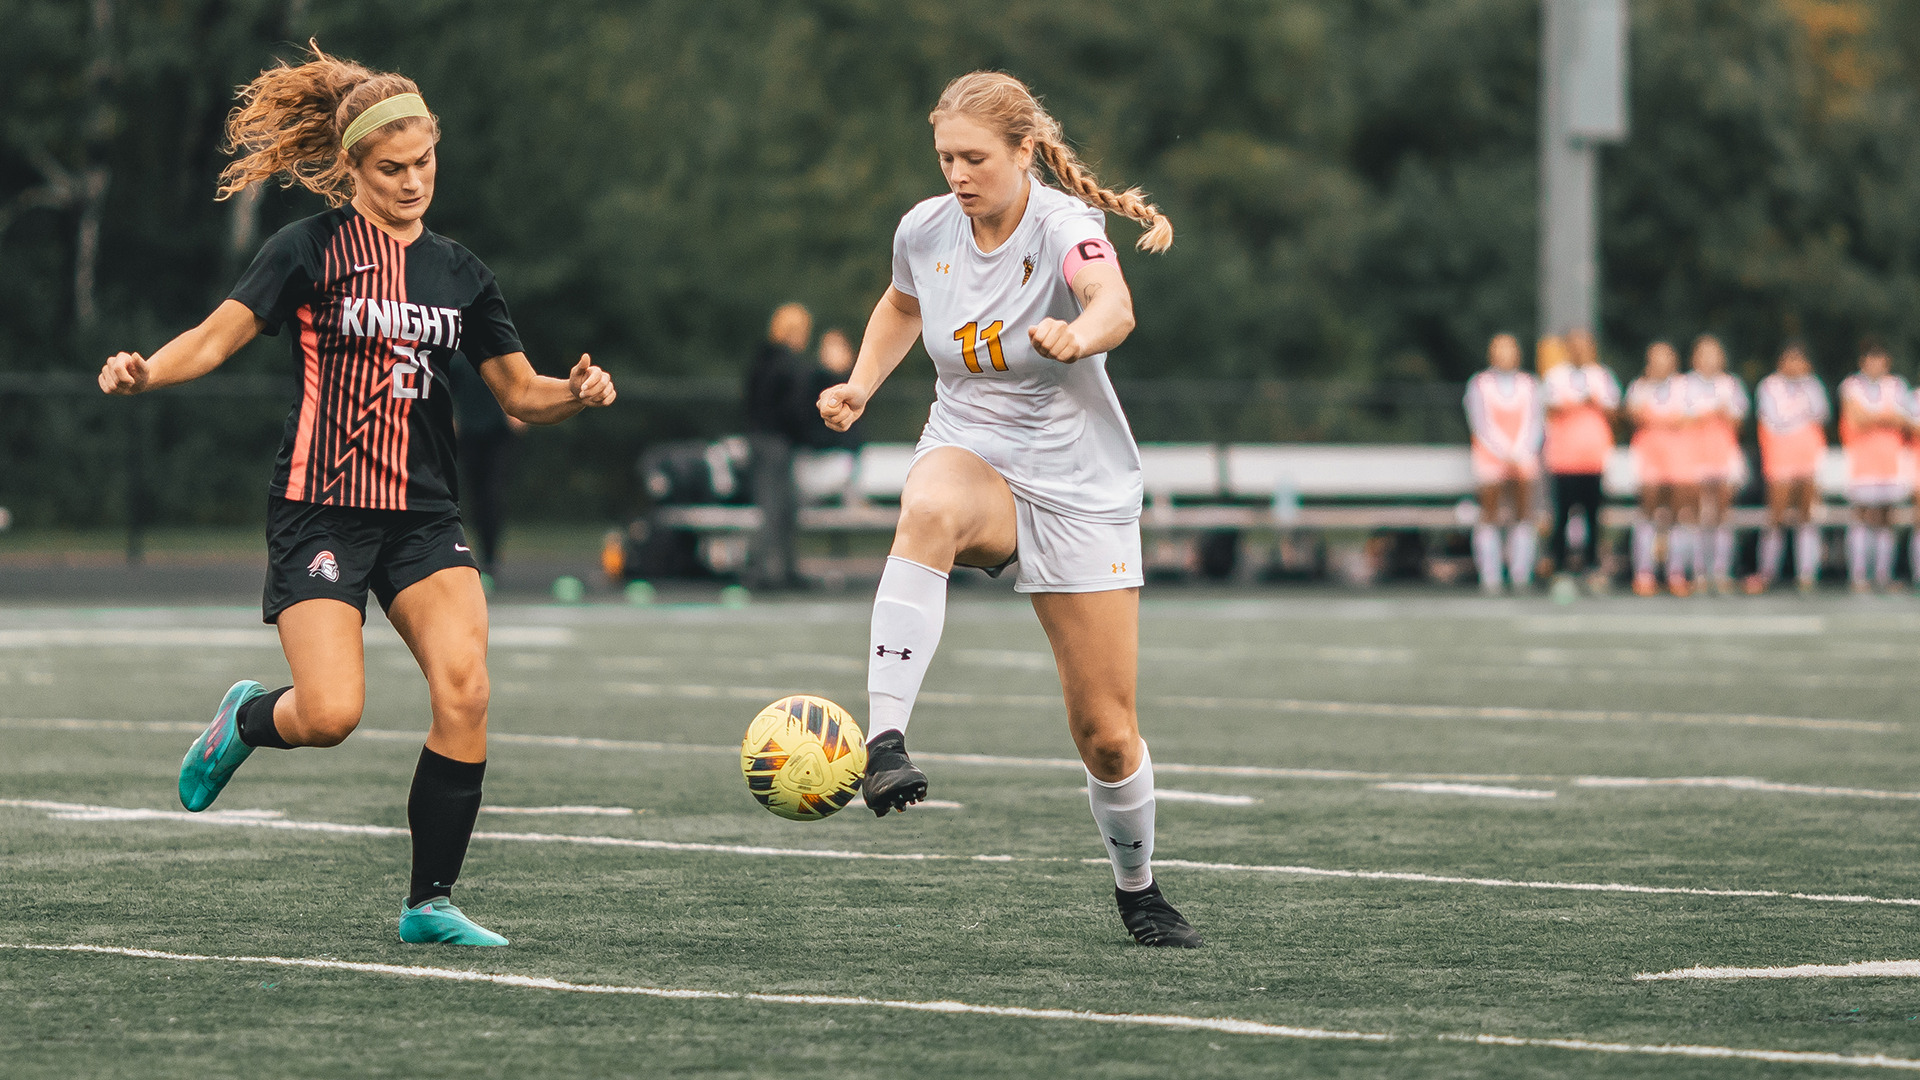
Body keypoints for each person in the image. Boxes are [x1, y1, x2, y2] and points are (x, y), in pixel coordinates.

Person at [96, 44, 617, 946]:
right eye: (392, 169)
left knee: (466, 689)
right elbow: (216, 339)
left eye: (425, 164)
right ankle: (245, 722)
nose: (413, 182)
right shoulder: (308, 249)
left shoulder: (460, 272)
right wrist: (146, 374)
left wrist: (576, 391)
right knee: (332, 714)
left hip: (424, 515)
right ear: (353, 167)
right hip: (322, 508)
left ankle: (430, 903)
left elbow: (519, 394)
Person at [815, 72, 1199, 947]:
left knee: (1107, 734)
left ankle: (1138, 891)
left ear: (1024, 151)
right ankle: (884, 745)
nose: (958, 173)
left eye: (976, 157)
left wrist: (1080, 332)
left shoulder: (1067, 223)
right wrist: (861, 386)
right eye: (946, 156)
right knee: (927, 507)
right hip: (972, 451)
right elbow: (902, 303)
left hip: (1076, 482)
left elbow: (1114, 305)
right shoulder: (923, 228)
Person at [1541, 329, 1621, 590]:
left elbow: (1613, 411)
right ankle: (1559, 566)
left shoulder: (1602, 376)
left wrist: (1592, 402)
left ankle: (1591, 566)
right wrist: (1579, 402)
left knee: (1593, 515)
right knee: (1562, 514)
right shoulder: (1556, 376)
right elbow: (1551, 408)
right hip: (1563, 458)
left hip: (1593, 458)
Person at [1464, 333, 1544, 593]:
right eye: (1499, 349)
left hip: (1522, 458)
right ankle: (1491, 575)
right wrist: (1504, 452)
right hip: (1490, 458)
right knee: (1490, 514)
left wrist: (1519, 453)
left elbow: (1534, 423)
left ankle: (1520, 573)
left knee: (1523, 513)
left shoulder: (1529, 385)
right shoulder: (1479, 384)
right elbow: (1481, 424)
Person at [1746, 342, 1829, 593]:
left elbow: (1821, 414)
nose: (1794, 366)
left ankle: (1807, 573)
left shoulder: (1812, 386)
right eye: (1789, 359)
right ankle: (1768, 571)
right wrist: (1799, 416)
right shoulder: (1769, 386)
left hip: (1807, 456)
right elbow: (1776, 420)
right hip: (1780, 458)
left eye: (1799, 360)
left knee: (1806, 515)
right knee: (1777, 516)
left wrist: (1800, 412)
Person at [743, 303, 814, 589]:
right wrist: (803, 435)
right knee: (777, 509)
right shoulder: (788, 365)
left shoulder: (761, 360)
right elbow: (794, 408)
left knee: (782, 508)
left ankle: (782, 570)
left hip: (762, 440)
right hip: (777, 444)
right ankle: (764, 571)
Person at [1837, 341, 1910, 592]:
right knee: (1862, 515)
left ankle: (1883, 575)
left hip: (1889, 461)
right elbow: (1856, 418)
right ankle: (1859, 575)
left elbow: (1904, 419)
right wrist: (1885, 416)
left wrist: (1873, 416)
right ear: (1863, 362)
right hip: (1862, 462)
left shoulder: (1897, 385)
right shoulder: (1851, 386)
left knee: (1886, 518)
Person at [450, 355, 527, 584]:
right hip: (469, 435)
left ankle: (491, 557)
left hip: (498, 434)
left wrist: (519, 411)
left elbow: (521, 382)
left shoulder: (501, 354)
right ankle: (471, 553)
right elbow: (443, 389)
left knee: (492, 494)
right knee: (473, 496)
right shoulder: (458, 359)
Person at [1626, 341, 1694, 596]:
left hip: (1679, 457)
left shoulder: (1684, 387)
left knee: (1679, 515)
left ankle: (1676, 572)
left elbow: (1689, 419)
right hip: (1649, 456)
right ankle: (1644, 572)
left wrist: (1657, 420)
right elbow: (1634, 415)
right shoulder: (1640, 387)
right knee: (1648, 513)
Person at [1683, 335, 1750, 593]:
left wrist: (1721, 415)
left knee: (1722, 514)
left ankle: (1721, 570)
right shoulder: (1685, 384)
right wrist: (1709, 414)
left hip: (1722, 454)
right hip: (1693, 455)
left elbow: (1738, 421)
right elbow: (1681, 420)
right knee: (1698, 514)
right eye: (1704, 354)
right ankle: (1698, 571)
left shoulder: (1730, 385)